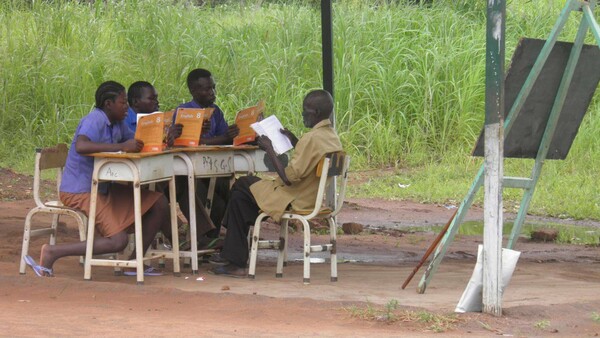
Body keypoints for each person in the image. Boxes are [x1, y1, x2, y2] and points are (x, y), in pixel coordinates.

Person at [23, 81, 172, 277]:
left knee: (159, 203)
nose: (126, 106)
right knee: (118, 241)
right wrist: (121, 147)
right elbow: (81, 146)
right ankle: (52, 252)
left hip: (102, 188)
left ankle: (134, 262)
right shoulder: (95, 119)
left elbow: (135, 142)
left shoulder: (118, 123)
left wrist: (164, 136)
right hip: (80, 190)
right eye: (123, 102)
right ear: (109, 103)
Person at [208, 89, 343, 278]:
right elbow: (310, 159)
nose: (303, 114)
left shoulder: (311, 138)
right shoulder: (331, 136)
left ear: (316, 113)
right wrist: (294, 140)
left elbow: (289, 178)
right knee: (240, 198)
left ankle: (234, 256)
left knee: (242, 185)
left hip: (294, 198)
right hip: (311, 198)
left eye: (306, 110)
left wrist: (269, 149)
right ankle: (232, 252)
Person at [123, 81, 215, 247]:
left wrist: (169, 138)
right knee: (156, 188)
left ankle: (201, 234)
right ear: (136, 102)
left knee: (181, 181)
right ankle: (176, 238)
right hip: (129, 177)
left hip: (148, 172)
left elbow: (156, 148)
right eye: (151, 98)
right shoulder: (125, 121)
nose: (157, 102)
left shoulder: (155, 119)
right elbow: (134, 146)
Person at [174, 68, 239, 240]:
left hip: (215, 166)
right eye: (206, 89)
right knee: (211, 200)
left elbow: (225, 138)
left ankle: (219, 237)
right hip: (191, 170)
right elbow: (188, 143)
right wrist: (222, 138)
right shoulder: (184, 112)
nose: (212, 93)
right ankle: (206, 239)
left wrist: (231, 134)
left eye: (213, 88)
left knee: (230, 190)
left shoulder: (215, 111)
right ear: (193, 91)